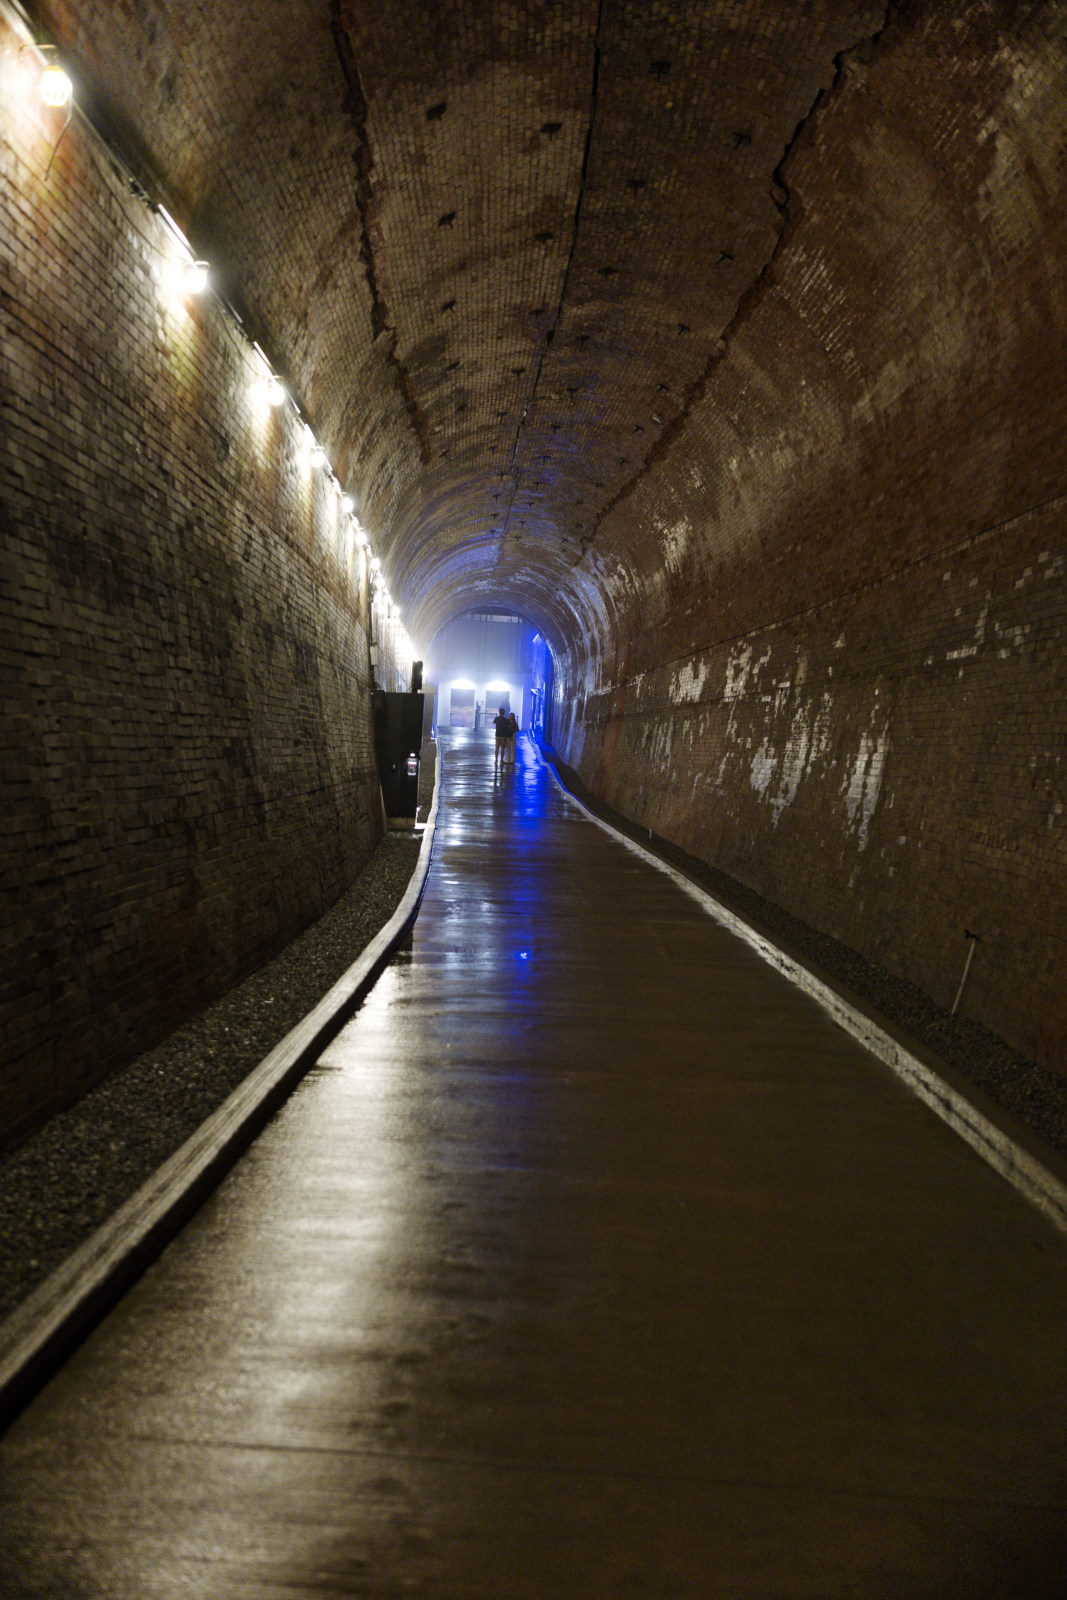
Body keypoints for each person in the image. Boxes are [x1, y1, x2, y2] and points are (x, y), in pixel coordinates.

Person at [492, 705, 510, 772]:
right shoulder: (506, 720)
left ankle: (496, 760)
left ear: (499, 712)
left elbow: (494, 722)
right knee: (502, 749)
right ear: (504, 713)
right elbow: (509, 724)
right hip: (503, 736)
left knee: (497, 748)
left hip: (497, 735)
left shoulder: (497, 719)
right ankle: (501, 760)